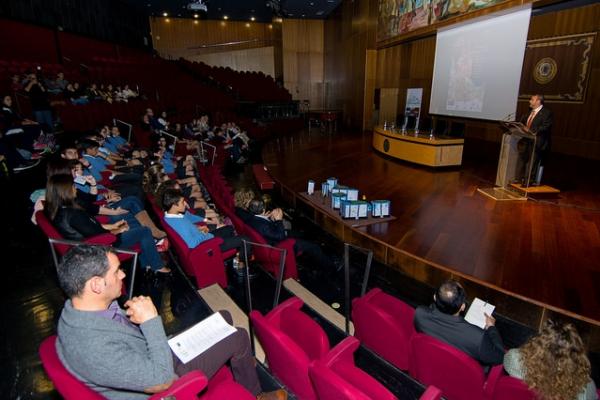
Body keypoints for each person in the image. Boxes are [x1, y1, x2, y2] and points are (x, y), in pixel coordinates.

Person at [55, 245, 286, 400]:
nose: (123, 275)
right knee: (239, 337)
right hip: (167, 379)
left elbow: (124, 346)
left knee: (223, 317)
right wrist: (150, 321)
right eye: (116, 272)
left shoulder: (78, 311)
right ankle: (255, 393)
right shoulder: (93, 347)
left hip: (154, 357)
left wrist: (136, 321)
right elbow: (163, 381)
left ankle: (242, 366)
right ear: (96, 285)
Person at [44, 174, 170, 275]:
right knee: (144, 231)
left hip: (89, 244)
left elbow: (91, 227)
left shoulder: (58, 209)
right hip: (99, 248)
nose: (75, 188)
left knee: (133, 224)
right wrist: (118, 230)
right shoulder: (73, 214)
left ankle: (147, 263)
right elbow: (99, 236)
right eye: (72, 186)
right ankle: (157, 266)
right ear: (64, 191)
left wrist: (115, 226)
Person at [413, 279, 504, 367]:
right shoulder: (478, 337)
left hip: (431, 363)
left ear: (435, 297)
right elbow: (499, 357)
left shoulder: (420, 314)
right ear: (463, 307)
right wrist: (491, 327)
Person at [504, 320, 597, 400]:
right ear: (578, 354)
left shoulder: (515, 360)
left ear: (538, 344)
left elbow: (510, 356)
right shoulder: (586, 389)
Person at [246, 197, 338, 274]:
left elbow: (266, 229)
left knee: (300, 233)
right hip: (280, 246)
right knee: (313, 247)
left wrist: (268, 218)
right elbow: (280, 236)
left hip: (272, 238)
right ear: (263, 209)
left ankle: (315, 253)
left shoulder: (251, 219)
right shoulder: (263, 225)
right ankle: (332, 268)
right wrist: (278, 220)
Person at [162, 189, 250, 262]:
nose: (185, 204)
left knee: (229, 228)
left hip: (205, 237)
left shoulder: (170, 216)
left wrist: (198, 228)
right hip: (207, 246)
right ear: (174, 205)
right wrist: (203, 232)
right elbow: (192, 244)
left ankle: (231, 257)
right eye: (182, 202)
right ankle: (243, 263)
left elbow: (188, 225)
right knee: (245, 239)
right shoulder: (178, 222)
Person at [516, 94, 553, 185]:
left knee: (532, 162)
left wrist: (532, 131)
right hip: (526, 141)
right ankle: (518, 179)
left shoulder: (546, 113)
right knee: (522, 160)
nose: (530, 101)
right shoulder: (529, 112)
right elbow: (522, 123)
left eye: (532, 100)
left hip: (537, 141)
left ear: (538, 101)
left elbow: (546, 126)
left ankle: (528, 182)